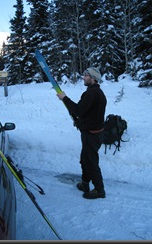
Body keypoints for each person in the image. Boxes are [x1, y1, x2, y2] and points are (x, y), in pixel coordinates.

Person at [57, 67, 107, 199]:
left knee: (91, 161)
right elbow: (89, 113)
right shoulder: (96, 92)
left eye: (86, 75)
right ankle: (85, 183)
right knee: (85, 159)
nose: (83, 77)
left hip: (92, 134)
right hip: (92, 132)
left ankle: (99, 190)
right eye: (84, 75)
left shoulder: (91, 94)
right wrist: (80, 123)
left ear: (93, 78)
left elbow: (79, 110)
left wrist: (64, 98)